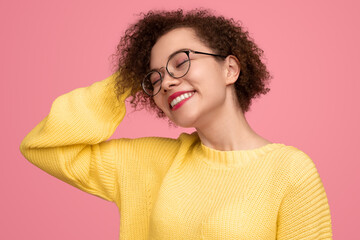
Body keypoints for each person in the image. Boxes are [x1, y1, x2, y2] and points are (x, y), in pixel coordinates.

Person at [20, 8, 333, 240]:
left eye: (181, 62)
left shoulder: (290, 170)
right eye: (154, 79)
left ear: (230, 69)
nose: (166, 82)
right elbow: (41, 147)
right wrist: (123, 82)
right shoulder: (150, 162)